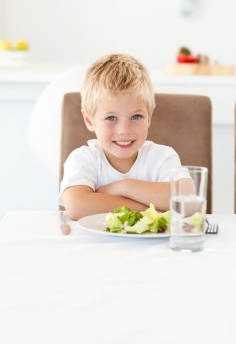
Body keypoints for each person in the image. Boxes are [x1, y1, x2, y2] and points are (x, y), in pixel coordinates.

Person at [59, 54, 192, 220]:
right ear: (89, 120)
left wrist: (123, 187)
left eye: (136, 117)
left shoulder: (162, 156)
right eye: (111, 118)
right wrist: (149, 211)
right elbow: (77, 206)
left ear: (149, 117)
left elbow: (188, 200)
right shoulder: (83, 159)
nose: (124, 130)